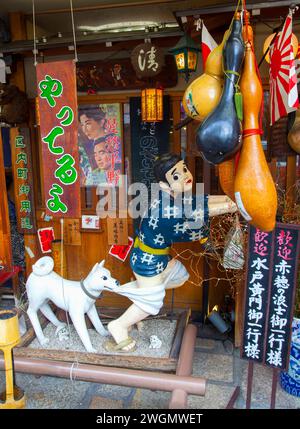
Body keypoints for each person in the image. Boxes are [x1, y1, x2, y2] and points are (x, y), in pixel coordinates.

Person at [104, 153, 237, 352]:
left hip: (158, 258)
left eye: (184, 169)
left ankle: (143, 295)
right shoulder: (165, 209)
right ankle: (120, 326)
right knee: (152, 305)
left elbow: (200, 202)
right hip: (147, 261)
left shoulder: (174, 197)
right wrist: (233, 206)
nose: (185, 175)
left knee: (180, 275)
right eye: (176, 176)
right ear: (165, 186)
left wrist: (229, 200)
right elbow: (197, 213)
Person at [79, 109, 121, 186]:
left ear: (101, 122)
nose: (84, 129)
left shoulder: (115, 142)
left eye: (88, 124)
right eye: (82, 125)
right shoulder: (87, 145)